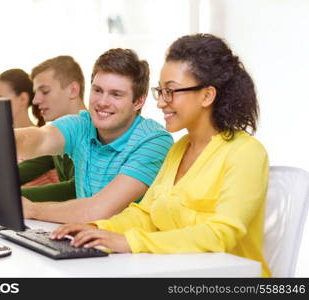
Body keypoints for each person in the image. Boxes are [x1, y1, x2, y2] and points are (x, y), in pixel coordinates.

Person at [51, 34, 271, 277]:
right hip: (177, 274)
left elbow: (220, 235)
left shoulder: (245, 153)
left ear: (207, 96)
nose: (161, 103)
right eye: (161, 91)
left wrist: (130, 243)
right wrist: (94, 229)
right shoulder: (179, 149)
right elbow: (145, 213)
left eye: (171, 91)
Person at [16, 48, 173, 224]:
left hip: (130, 249)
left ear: (138, 101)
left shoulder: (154, 141)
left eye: (116, 94)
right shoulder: (82, 125)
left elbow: (98, 211)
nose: (102, 102)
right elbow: (38, 139)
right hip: (87, 240)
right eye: (98, 90)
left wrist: (31, 209)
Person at [18, 56, 87, 202]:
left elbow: (75, 190)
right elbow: (25, 170)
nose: (35, 101)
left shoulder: (95, 132)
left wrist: (6, 197)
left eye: (45, 91)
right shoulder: (57, 135)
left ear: (73, 90)